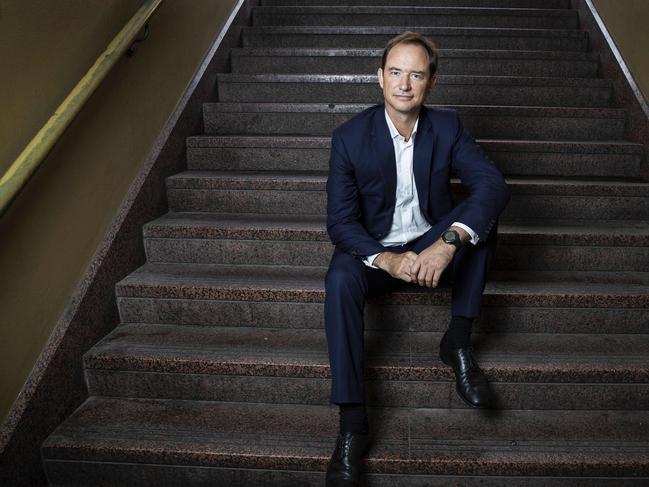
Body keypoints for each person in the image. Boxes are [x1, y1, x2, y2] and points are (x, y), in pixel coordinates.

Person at [323, 31, 511, 486]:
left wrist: (446, 243)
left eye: (416, 74)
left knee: (480, 221)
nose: (404, 84)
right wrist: (385, 260)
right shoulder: (349, 138)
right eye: (395, 72)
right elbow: (341, 223)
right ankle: (352, 424)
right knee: (339, 281)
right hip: (379, 253)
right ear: (379, 78)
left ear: (430, 83)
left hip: (431, 249)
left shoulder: (447, 127)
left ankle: (458, 340)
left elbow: (492, 185)